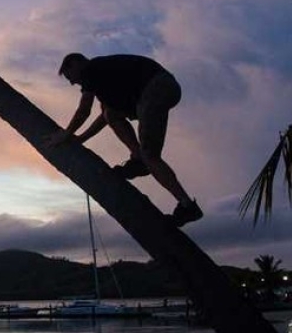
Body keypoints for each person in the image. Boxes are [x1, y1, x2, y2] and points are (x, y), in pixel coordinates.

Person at [47, 52, 203, 226]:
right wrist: (81, 138)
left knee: (150, 156)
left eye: (70, 76)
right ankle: (139, 159)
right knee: (111, 114)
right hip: (157, 88)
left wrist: (66, 134)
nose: (72, 82)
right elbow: (104, 118)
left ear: (76, 64)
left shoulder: (91, 70)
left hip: (157, 87)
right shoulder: (104, 79)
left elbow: (84, 110)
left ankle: (187, 206)